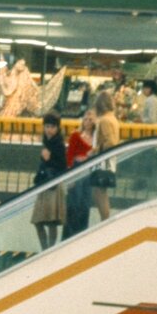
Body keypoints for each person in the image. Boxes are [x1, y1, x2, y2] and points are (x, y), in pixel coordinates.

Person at [31, 110, 67, 250]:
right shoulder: (49, 142)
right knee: (41, 221)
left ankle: (48, 249)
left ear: (57, 128)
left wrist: (49, 158)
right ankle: (47, 249)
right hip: (46, 183)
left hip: (52, 184)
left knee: (50, 221)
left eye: (52, 127)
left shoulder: (58, 145)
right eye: (47, 126)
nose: (49, 130)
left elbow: (63, 165)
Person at [63, 109, 96, 238]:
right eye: (86, 119)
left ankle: (81, 232)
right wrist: (69, 175)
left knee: (84, 203)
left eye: (90, 120)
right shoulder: (76, 136)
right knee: (74, 203)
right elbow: (70, 156)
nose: (87, 122)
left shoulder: (95, 138)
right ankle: (71, 233)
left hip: (87, 172)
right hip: (77, 169)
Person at [90, 90, 120, 221]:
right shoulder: (113, 119)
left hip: (102, 163)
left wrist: (97, 149)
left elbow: (111, 142)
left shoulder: (104, 121)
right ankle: (105, 219)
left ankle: (104, 221)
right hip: (110, 163)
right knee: (102, 193)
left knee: (99, 193)